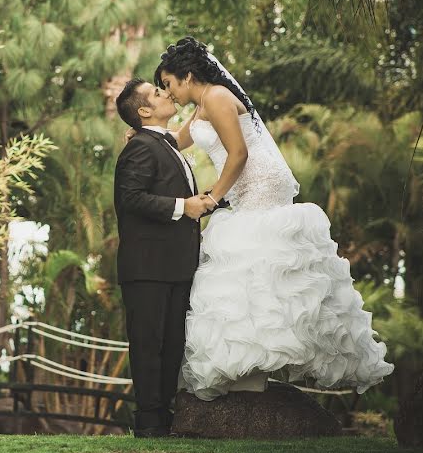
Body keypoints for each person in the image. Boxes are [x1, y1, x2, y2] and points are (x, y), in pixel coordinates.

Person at [150, 36, 394, 400]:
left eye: (168, 84)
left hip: (260, 182)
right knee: (249, 267)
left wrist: (214, 198)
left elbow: (239, 154)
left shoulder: (216, 97)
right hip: (245, 187)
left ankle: (254, 367)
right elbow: (175, 140)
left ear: (186, 75)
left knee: (257, 263)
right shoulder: (201, 106)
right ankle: (250, 366)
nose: (168, 93)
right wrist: (142, 132)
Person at [113, 78, 213, 436]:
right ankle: (149, 424)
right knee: (148, 345)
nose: (166, 93)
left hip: (176, 266)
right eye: (157, 93)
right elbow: (130, 198)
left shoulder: (167, 145)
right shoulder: (141, 147)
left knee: (172, 345)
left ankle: (165, 419)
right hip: (147, 268)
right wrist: (183, 206)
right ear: (144, 111)